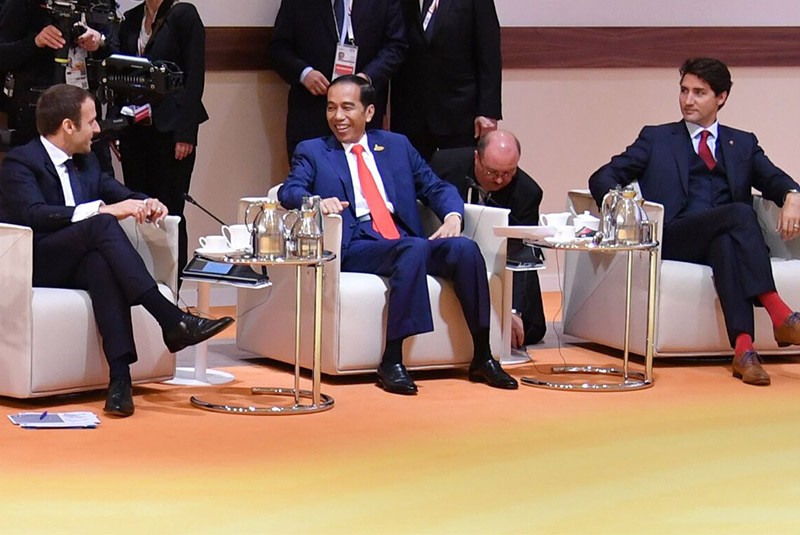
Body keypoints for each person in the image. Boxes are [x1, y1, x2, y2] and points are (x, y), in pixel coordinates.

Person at [0, 84, 233, 416]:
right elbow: (32, 214)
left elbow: (117, 191)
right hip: (36, 260)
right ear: (68, 126)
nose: (97, 129)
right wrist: (101, 210)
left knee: (100, 264)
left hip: (79, 259)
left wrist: (145, 202)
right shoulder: (21, 162)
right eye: (91, 121)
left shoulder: (87, 162)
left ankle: (120, 380)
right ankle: (170, 318)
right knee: (102, 223)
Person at [279, 75, 518, 394]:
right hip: (357, 245)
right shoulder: (314, 151)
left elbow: (436, 186)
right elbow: (289, 190)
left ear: (368, 112)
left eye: (347, 107)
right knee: (413, 249)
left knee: (464, 249)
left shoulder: (396, 146)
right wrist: (317, 201)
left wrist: (451, 215)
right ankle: (392, 359)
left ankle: (483, 357)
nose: (338, 116)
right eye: (331, 107)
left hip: (406, 241)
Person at [589, 57, 800, 386]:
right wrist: (623, 207)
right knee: (741, 214)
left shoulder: (742, 142)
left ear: (722, 97)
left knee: (726, 242)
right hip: (676, 235)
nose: (688, 100)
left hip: (721, 239)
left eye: (699, 92)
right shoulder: (657, 138)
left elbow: (774, 179)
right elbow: (604, 175)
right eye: (684, 91)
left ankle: (745, 352)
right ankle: (778, 312)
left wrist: (792, 196)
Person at [430, 130, 546, 348]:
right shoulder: (444, 164)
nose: (500, 180)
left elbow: (520, 251)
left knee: (529, 330)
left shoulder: (528, 193)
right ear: (477, 158)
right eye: (492, 172)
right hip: (449, 250)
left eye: (508, 172)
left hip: (500, 259)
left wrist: (512, 310)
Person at [116, 0, 207, 274]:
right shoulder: (131, 18)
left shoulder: (183, 14)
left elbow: (195, 77)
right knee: (139, 209)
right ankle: (143, 285)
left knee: (170, 212)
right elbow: (120, 73)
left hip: (172, 129)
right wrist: (116, 127)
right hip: (135, 129)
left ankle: (174, 288)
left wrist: (186, 132)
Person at [269, 0, 407, 161]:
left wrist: (366, 79)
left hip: (362, 119)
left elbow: (396, 46)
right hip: (311, 115)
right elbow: (278, 48)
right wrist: (304, 74)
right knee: (310, 182)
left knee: (361, 183)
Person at [0, 0, 116, 166]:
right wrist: (35, 42)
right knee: (41, 178)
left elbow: (117, 52)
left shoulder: (98, 3)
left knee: (97, 177)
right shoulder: (23, 4)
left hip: (85, 110)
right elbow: (3, 55)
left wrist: (100, 41)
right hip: (36, 113)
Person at [391, 0, 502, 161]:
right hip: (411, 114)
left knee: (457, 179)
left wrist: (488, 111)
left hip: (460, 113)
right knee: (414, 181)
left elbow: (489, 52)